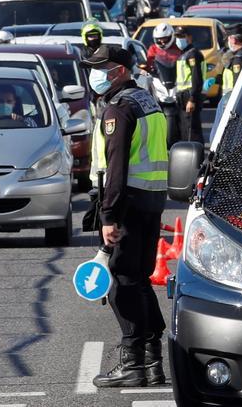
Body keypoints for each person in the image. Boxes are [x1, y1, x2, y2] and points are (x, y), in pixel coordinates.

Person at [84, 45, 169, 389]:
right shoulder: (148, 102)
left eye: (100, 67)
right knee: (138, 277)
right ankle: (152, 361)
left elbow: (116, 167)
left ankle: (132, 360)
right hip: (150, 201)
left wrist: (108, 216)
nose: (95, 75)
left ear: (119, 70)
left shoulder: (118, 110)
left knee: (120, 279)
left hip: (127, 203)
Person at [146, 22, 183, 147]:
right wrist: (146, 69)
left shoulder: (177, 49)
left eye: (164, 39)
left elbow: (181, 62)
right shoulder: (153, 49)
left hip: (174, 80)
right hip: (158, 80)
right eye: (159, 40)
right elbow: (148, 62)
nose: (162, 42)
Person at [173, 26, 205, 144]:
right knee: (185, 130)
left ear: (189, 38)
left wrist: (192, 99)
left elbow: (196, 78)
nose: (179, 39)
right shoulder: (184, 54)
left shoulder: (192, 54)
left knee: (192, 131)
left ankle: (196, 159)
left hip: (189, 96)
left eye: (182, 36)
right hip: (183, 97)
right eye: (177, 37)